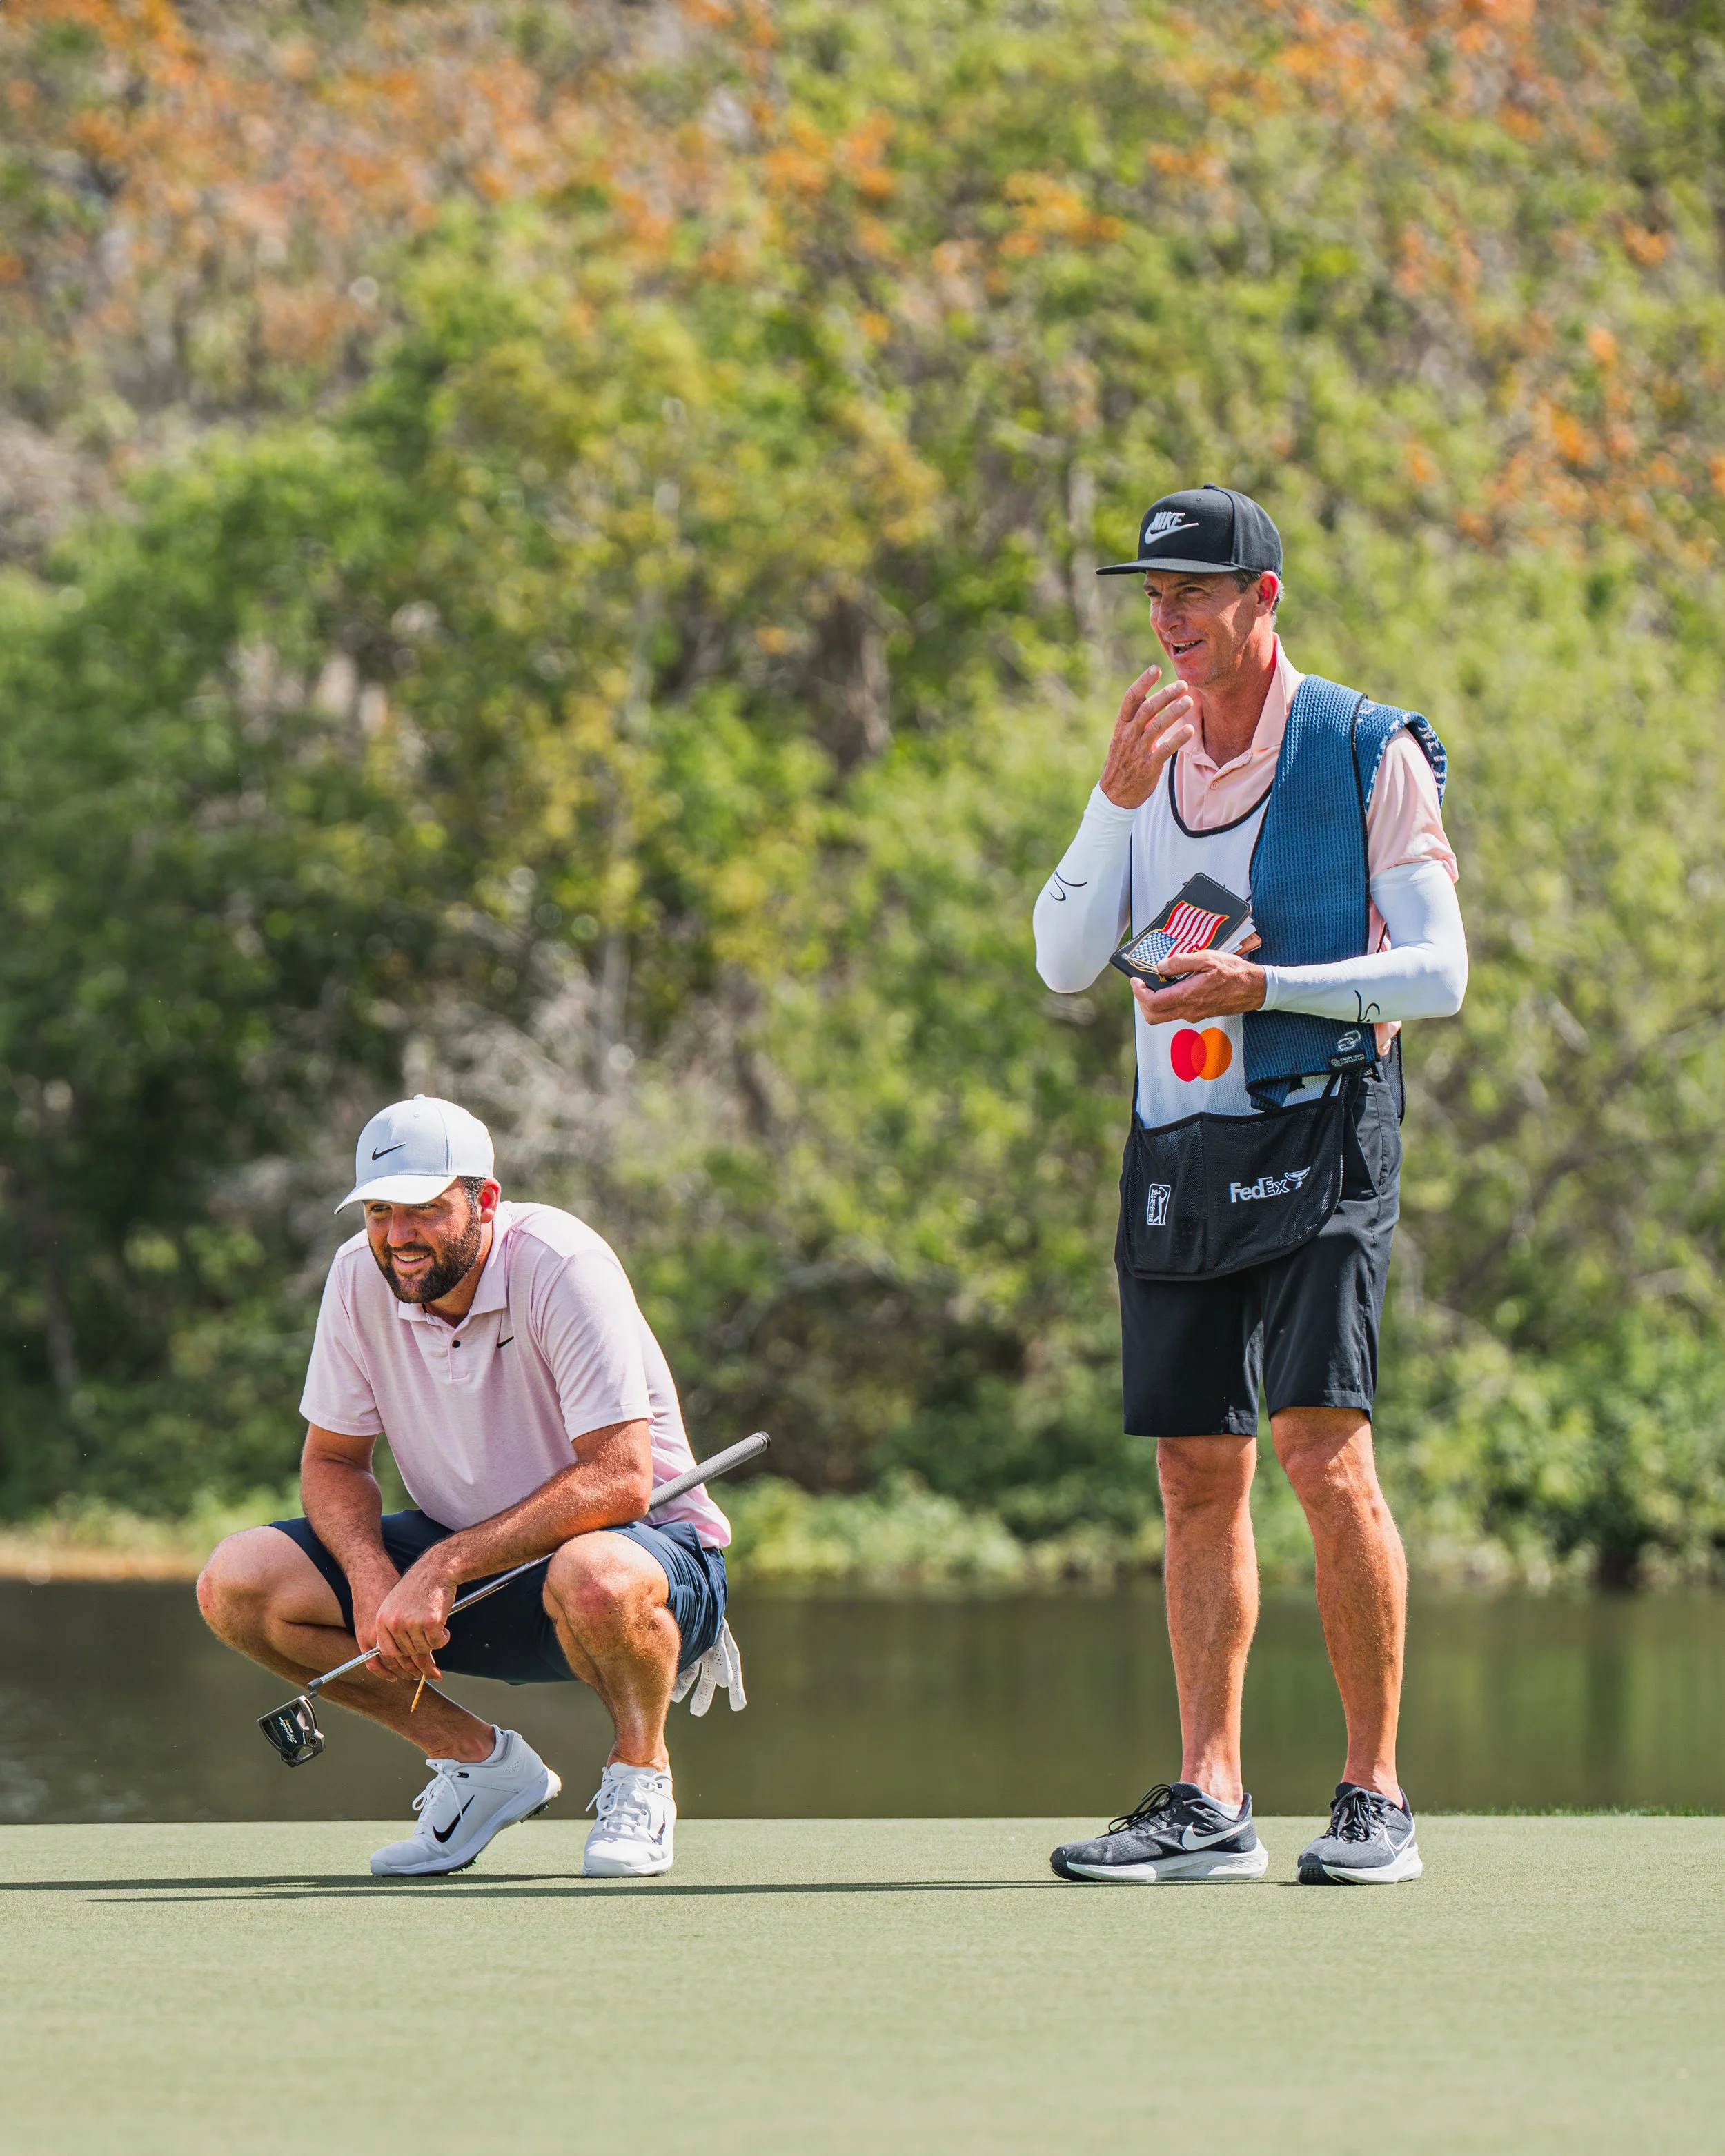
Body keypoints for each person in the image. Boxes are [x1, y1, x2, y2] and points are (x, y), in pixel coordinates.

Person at [1032, 485, 1467, 1885]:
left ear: (1262, 596)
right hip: (1177, 1142)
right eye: (1152, 595)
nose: (1167, 618)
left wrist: (1267, 980)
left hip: (1322, 1119)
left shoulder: (1362, 747)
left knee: (1318, 1446)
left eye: (1195, 592)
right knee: (1189, 1469)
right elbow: (1058, 958)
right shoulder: (1143, 753)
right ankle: (1208, 1798)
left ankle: (1371, 1794)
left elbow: (1439, 973)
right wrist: (1106, 800)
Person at [197, 1094, 741, 1879]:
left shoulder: (561, 1262)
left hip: (643, 1559)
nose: (398, 1236)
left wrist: (443, 1564)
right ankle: (483, 1767)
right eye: (380, 1211)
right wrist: (370, 1573)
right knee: (238, 1582)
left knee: (594, 1574)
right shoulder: (359, 1275)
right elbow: (333, 1461)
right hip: (475, 1572)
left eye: (422, 1208)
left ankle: (640, 1773)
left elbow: (621, 1477)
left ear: (484, 1199)